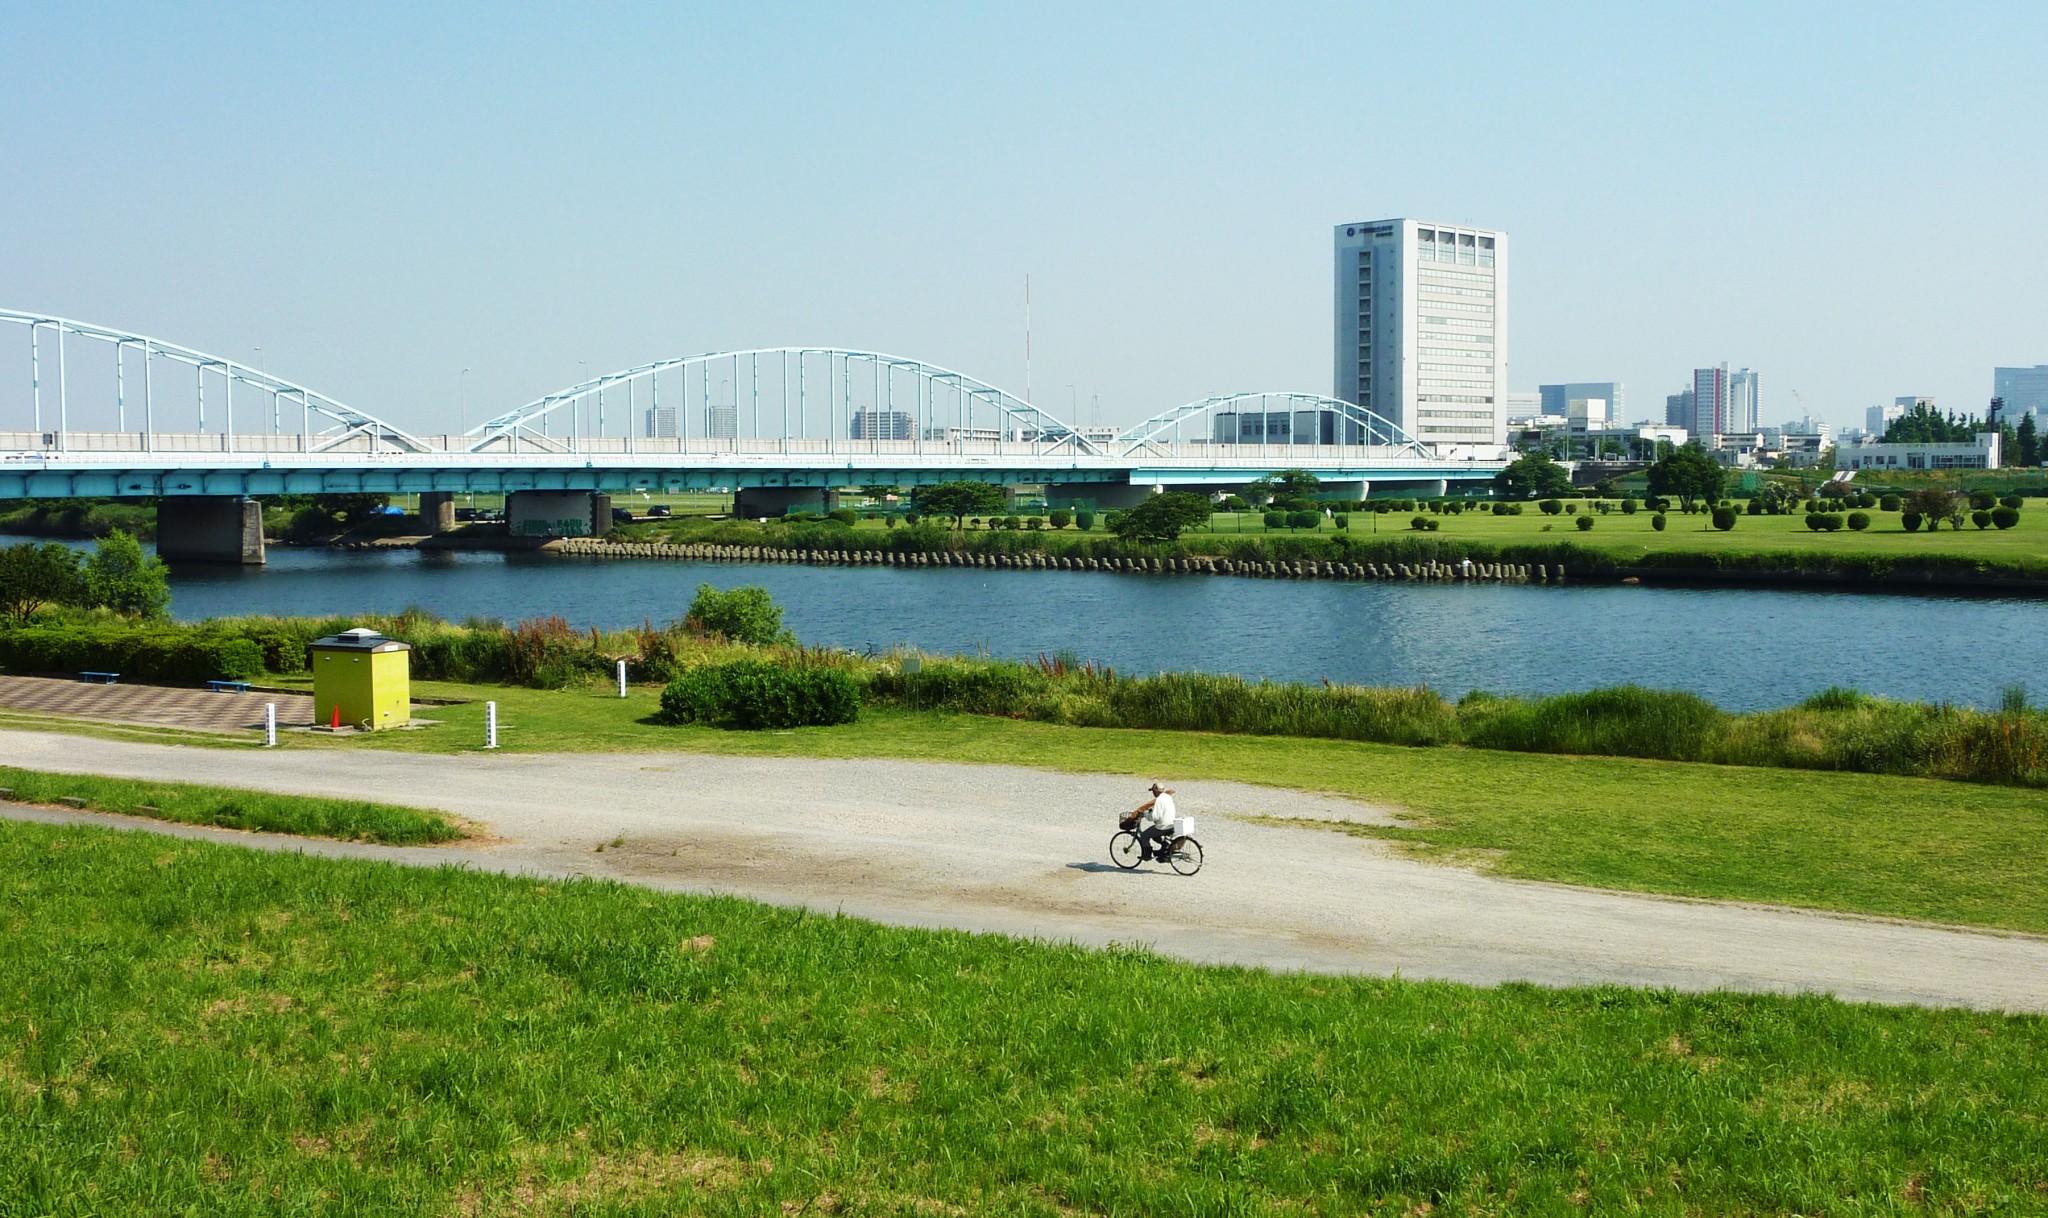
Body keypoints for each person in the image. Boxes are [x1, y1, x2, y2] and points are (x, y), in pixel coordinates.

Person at [1130, 782, 1178, 862]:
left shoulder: (1159, 800)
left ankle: (1147, 855)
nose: (1152, 793)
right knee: (1154, 834)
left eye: (1153, 791)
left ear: (1155, 791)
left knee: (1144, 835)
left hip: (1163, 826)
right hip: (1171, 824)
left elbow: (1154, 817)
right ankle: (1164, 846)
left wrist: (1144, 814)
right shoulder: (1168, 796)